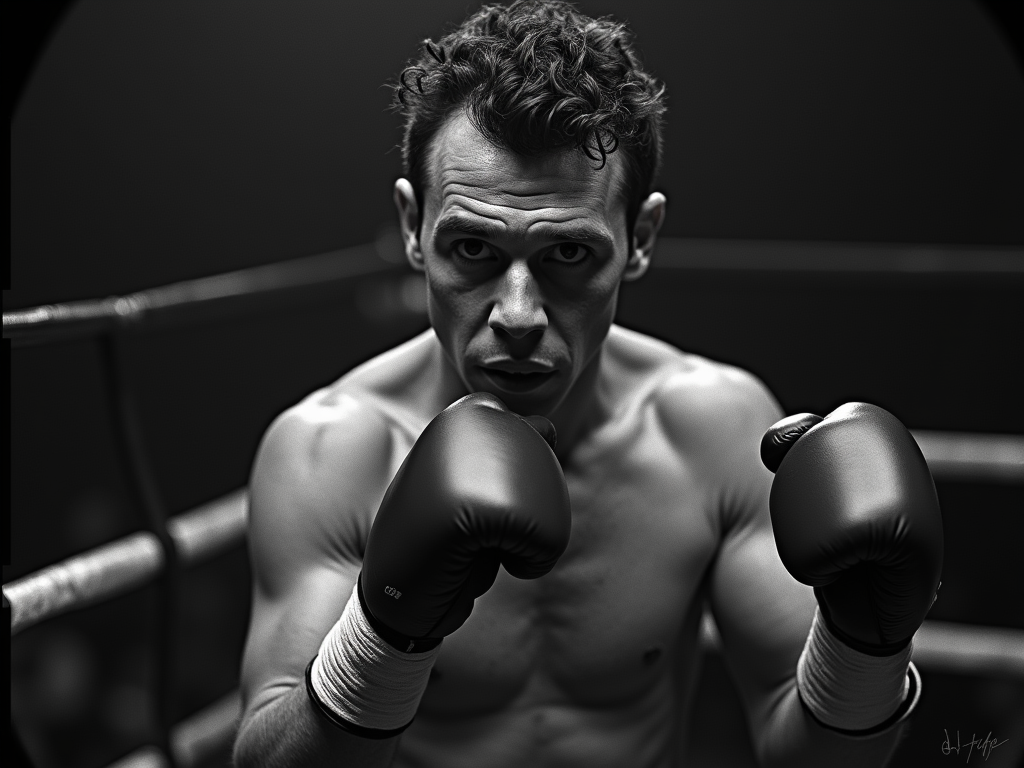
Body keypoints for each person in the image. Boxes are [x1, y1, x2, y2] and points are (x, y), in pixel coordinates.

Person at [233, 2, 942, 766]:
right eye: (471, 247)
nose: (518, 315)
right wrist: (384, 633)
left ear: (640, 239)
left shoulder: (713, 432)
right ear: (412, 228)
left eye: (567, 256)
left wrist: (865, 650)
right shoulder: (331, 452)